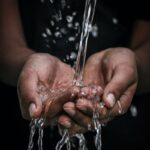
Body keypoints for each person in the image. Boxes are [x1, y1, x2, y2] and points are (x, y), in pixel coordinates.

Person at [0, 0, 150, 150]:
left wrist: (135, 66)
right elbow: (6, 47)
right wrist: (26, 65)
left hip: (124, 131)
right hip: (16, 125)